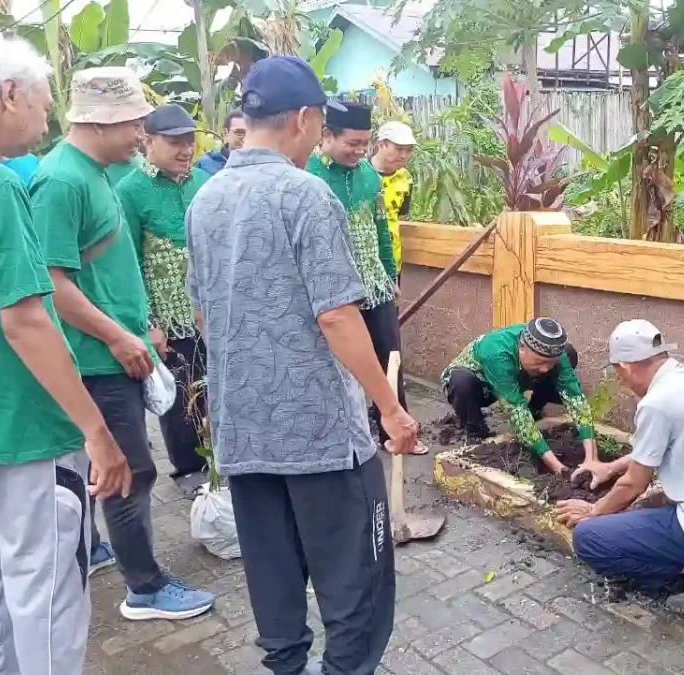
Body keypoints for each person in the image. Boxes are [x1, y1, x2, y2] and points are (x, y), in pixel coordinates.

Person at [185, 55, 419, 675]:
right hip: (317, 435)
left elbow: (204, 312)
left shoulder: (205, 200)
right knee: (357, 581)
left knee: (273, 573)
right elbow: (337, 316)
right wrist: (391, 410)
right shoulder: (304, 193)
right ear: (307, 118)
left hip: (242, 427)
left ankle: (286, 666)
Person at [0, 36, 131, 675]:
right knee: (49, 587)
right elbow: (27, 321)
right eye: (41, 103)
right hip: (28, 427)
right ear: (10, 94)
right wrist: (97, 432)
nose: (46, 121)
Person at [30, 66, 215, 621]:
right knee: (129, 471)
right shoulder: (61, 181)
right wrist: (118, 336)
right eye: (135, 124)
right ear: (101, 121)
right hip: (98, 357)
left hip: (116, 348)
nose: (141, 135)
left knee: (106, 469)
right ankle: (146, 587)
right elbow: (51, 282)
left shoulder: (99, 173)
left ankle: (98, 548)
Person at [555, 320, 684, 615]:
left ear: (626, 367)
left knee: (590, 539)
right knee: (646, 511)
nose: (621, 382)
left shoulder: (657, 403)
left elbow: (633, 486)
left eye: (617, 374)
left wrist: (593, 513)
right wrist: (611, 467)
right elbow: (665, 446)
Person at [308, 101, 428, 455]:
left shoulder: (367, 176)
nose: (360, 151)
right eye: (352, 143)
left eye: (365, 144)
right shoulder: (309, 175)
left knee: (389, 357)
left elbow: (381, 231)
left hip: (374, 285)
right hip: (333, 291)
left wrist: (390, 275)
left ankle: (397, 432)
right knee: (336, 365)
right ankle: (344, 439)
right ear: (327, 136)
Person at [116, 103, 210, 494]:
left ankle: (220, 460)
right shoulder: (130, 191)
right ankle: (188, 469)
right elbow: (129, 263)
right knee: (181, 396)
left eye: (189, 141)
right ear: (148, 142)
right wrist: (149, 323)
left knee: (214, 387)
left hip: (210, 310)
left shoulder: (204, 182)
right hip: (168, 317)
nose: (185, 149)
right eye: (174, 142)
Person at [441, 317, 598, 476]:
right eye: (539, 361)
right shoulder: (496, 351)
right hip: (481, 386)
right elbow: (517, 414)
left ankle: (535, 408)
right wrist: (559, 468)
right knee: (461, 381)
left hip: (518, 377)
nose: (545, 369)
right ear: (522, 347)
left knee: (570, 354)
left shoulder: (556, 351)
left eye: (550, 363)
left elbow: (575, 399)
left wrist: (591, 459)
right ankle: (476, 432)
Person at [370, 120, 416, 281]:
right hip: (364, 263)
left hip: (392, 261)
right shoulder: (361, 173)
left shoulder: (406, 178)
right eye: (398, 149)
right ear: (381, 145)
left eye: (408, 150)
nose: (403, 155)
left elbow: (401, 213)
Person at [196, 107, 246, 175]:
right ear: (225, 133)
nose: (245, 138)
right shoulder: (207, 164)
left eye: (251, 133)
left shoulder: (260, 166)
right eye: (239, 133)